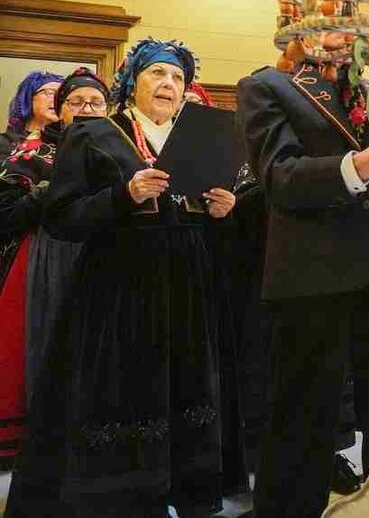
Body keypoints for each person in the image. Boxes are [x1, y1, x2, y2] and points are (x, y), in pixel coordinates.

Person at [5, 39, 244, 517]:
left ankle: (180, 491)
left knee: (185, 389)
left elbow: (202, 217)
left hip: (187, 285)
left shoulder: (200, 137)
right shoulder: (98, 133)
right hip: (120, 288)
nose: (168, 85)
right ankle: (127, 499)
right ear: (132, 81)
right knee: (126, 392)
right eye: (157, 73)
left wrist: (222, 211)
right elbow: (63, 218)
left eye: (177, 78)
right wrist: (123, 194)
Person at [237, 36, 369, 518]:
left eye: (352, 22)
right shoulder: (268, 86)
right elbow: (279, 177)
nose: (342, 35)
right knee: (303, 418)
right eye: (329, 19)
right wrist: (364, 164)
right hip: (311, 279)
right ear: (300, 26)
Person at [23, 68, 110, 405]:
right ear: (61, 110)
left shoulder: (122, 149)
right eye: (76, 102)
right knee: (55, 333)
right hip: (57, 251)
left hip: (106, 247)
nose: (87, 109)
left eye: (96, 102)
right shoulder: (34, 153)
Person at [0, 70, 62, 466]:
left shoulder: (76, 141)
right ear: (27, 98)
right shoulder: (7, 145)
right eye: (47, 92)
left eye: (62, 93)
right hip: (20, 243)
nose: (55, 98)